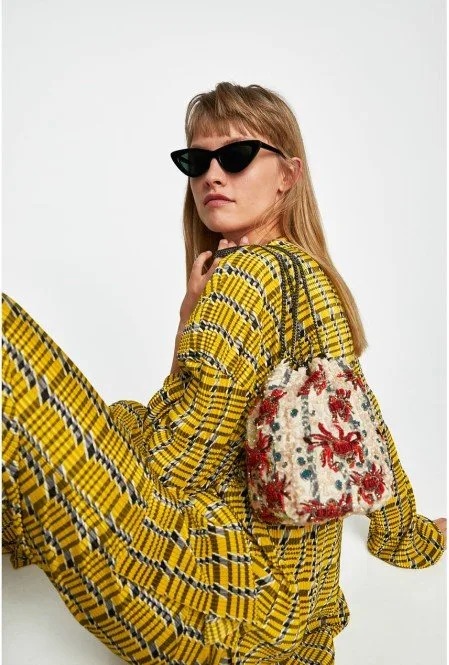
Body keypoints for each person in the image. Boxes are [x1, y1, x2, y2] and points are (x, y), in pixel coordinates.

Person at [2, 82, 446, 665]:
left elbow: (179, 462)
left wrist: (87, 444)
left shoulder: (244, 280)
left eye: (236, 156)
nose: (213, 175)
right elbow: (365, 430)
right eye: (196, 160)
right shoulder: (309, 275)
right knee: (96, 420)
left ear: (288, 174)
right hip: (293, 611)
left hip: (214, 599)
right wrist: (409, 535)